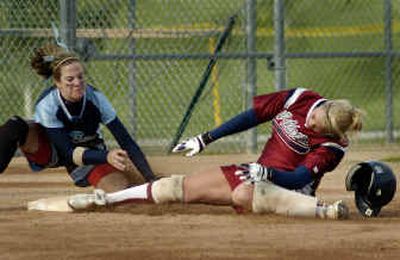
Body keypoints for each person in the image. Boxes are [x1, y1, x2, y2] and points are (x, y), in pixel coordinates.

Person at [68, 88, 363, 219]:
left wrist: (268, 174)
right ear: (324, 105)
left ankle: (321, 212)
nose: (310, 123)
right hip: (256, 173)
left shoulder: (333, 147)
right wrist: (206, 137)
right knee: (175, 186)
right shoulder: (301, 99)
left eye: (319, 127)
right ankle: (106, 201)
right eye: (316, 118)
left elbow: (299, 175)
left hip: (289, 189)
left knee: (243, 195)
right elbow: (252, 116)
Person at [0, 44, 156, 192]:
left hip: (87, 151)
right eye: (70, 79)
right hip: (52, 149)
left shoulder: (96, 98)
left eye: (80, 77)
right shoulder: (48, 103)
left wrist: (150, 178)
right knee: (15, 126)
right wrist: (106, 156)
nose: (77, 83)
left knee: (120, 190)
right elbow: (67, 152)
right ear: (57, 83)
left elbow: (126, 141)